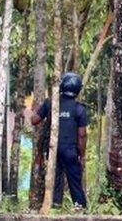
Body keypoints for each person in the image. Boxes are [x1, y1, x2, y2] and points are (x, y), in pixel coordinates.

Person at [29, 72, 88, 209]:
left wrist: (41, 107)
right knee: (74, 180)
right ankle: (80, 208)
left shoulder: (51, 103)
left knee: (54, 179)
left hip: (52, 148)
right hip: (70, 150)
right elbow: (82, 135)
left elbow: (34, 120)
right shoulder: (79, 109)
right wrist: (82, 154)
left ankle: (55, 207)